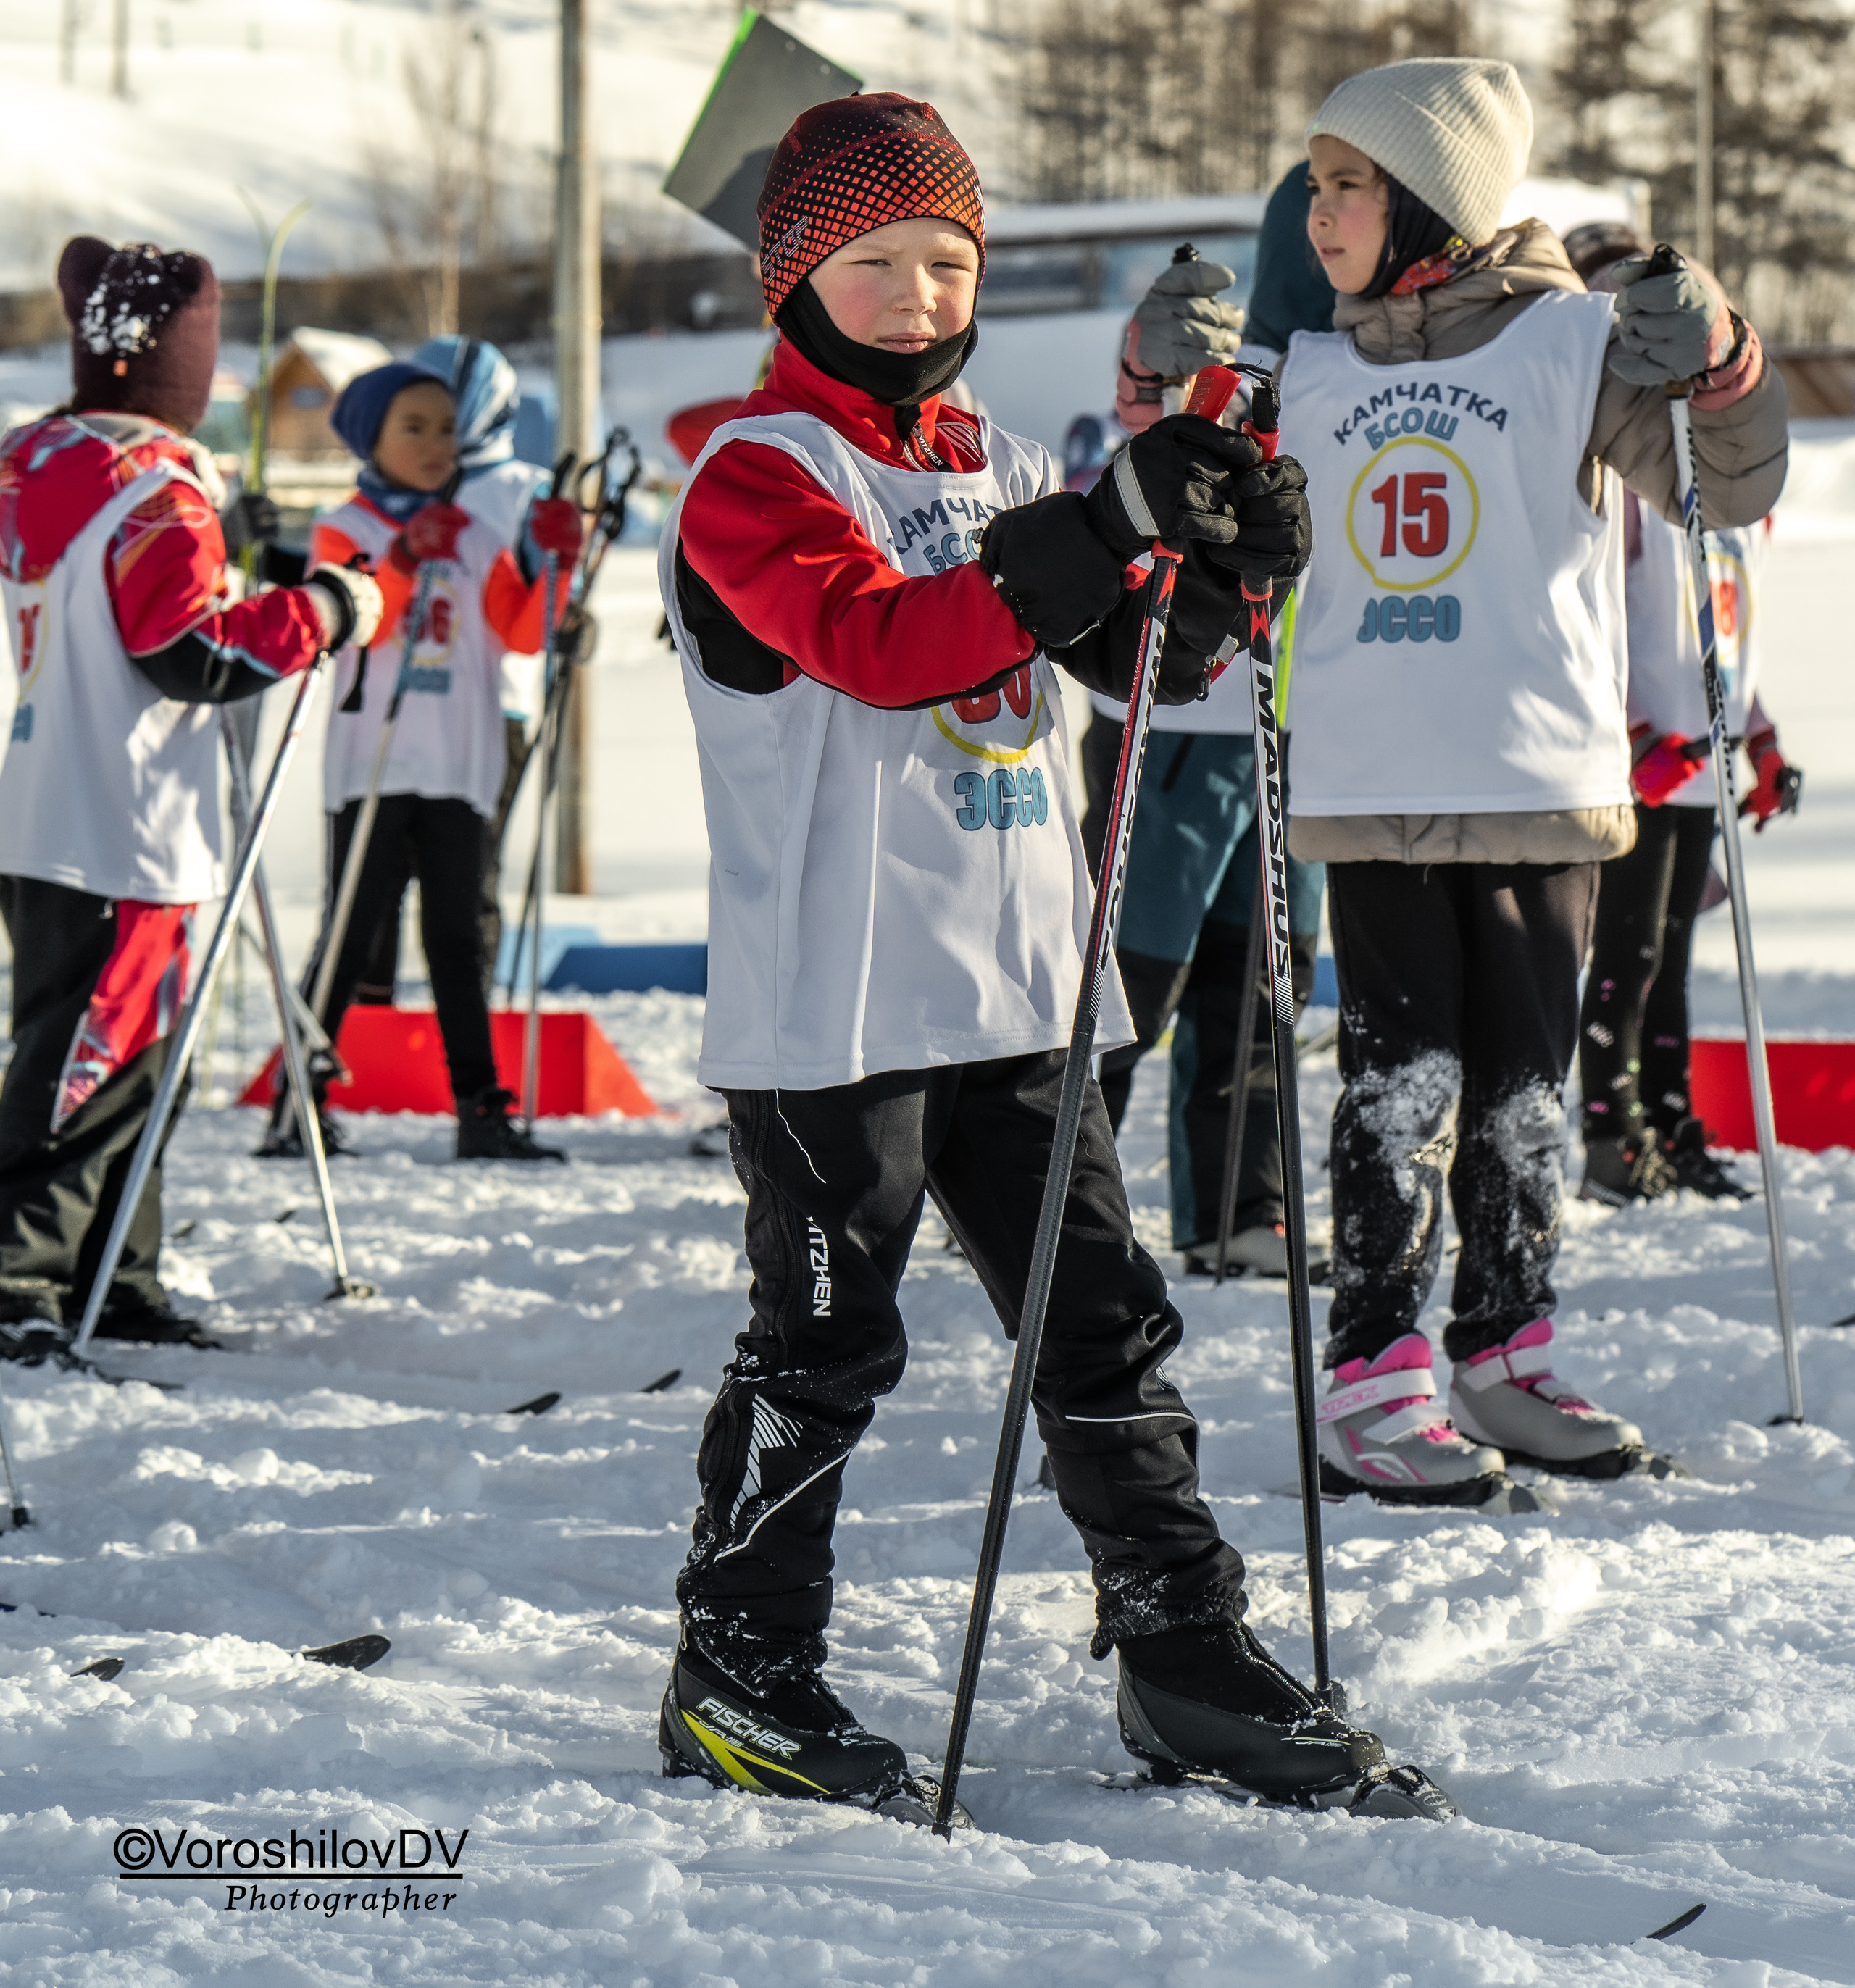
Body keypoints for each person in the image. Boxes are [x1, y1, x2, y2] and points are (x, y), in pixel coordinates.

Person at [650, 92, 1431, 1820]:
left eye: (946, 260)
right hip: (830, 1010)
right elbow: (876, 641)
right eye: (874, 266)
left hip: (1017, 991)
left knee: (1102, 1330)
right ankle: (738, 1667)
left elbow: (1128, 675)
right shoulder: (755, 474)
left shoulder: (996, 465)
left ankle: (1180, 1650)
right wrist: (1096, 529)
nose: (919, 297)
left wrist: (1215, 578)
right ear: (794, 278)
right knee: (825, 1348)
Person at [1271, 59, 1788, 1501]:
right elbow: (1207, 521)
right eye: (1314, 182)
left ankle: (1504, 1349)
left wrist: (1718, 353)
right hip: (1373, 788)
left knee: (1522, 1091)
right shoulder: (1310, 369)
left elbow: (1727, 486)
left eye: (1346, 182)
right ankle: (1373, 1376)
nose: (1315, 213)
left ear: (1430, 197)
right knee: (1399, 1082)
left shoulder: (1569, 345)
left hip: (1533, 783)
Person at [0, 238, 380, 1350]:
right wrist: (321, 612)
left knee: (120, 1057)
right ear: (184, 371)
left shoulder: (40, 462)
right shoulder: (156, 486)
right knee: (95, 1058)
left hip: (52, 798)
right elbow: (188, 652)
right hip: (128, 819)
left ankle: (117, 1272)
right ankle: (25, 1278)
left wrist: (242, 573)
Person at [1082, 247, 1329, 1280]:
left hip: (1289, 734)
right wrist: (1149, 379)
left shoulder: (1376, 377)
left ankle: (1240, 1205)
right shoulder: (1233, 364)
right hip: (1170, 723)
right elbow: (1135, 436)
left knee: (1265, 982)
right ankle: (1056, 1197)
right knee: (1127, 988)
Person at [275, 361, 581, 1161]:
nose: (436, 443)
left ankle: (480, 1108)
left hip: (457, 763)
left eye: (447, 427)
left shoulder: (479, 532)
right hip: (372, 765)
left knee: (457, 939)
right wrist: (405, 558)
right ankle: (294, 1102)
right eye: (414, 427)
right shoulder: (345, 526)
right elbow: (356, 626)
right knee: (348, 933)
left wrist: (556, 561)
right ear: (371, 436)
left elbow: (522, 631)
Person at [1562, 224, 1801, 1207]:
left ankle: (1668, 1119)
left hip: (1698, 756)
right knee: (1627, 954)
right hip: (1638, 756)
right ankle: (1614, 1135)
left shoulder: (1720, 463)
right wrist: (1624, 738)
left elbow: (1724, 629)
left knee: (1673, 961)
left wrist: (1759, 732)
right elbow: (1585, 620)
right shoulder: (1616, 470)